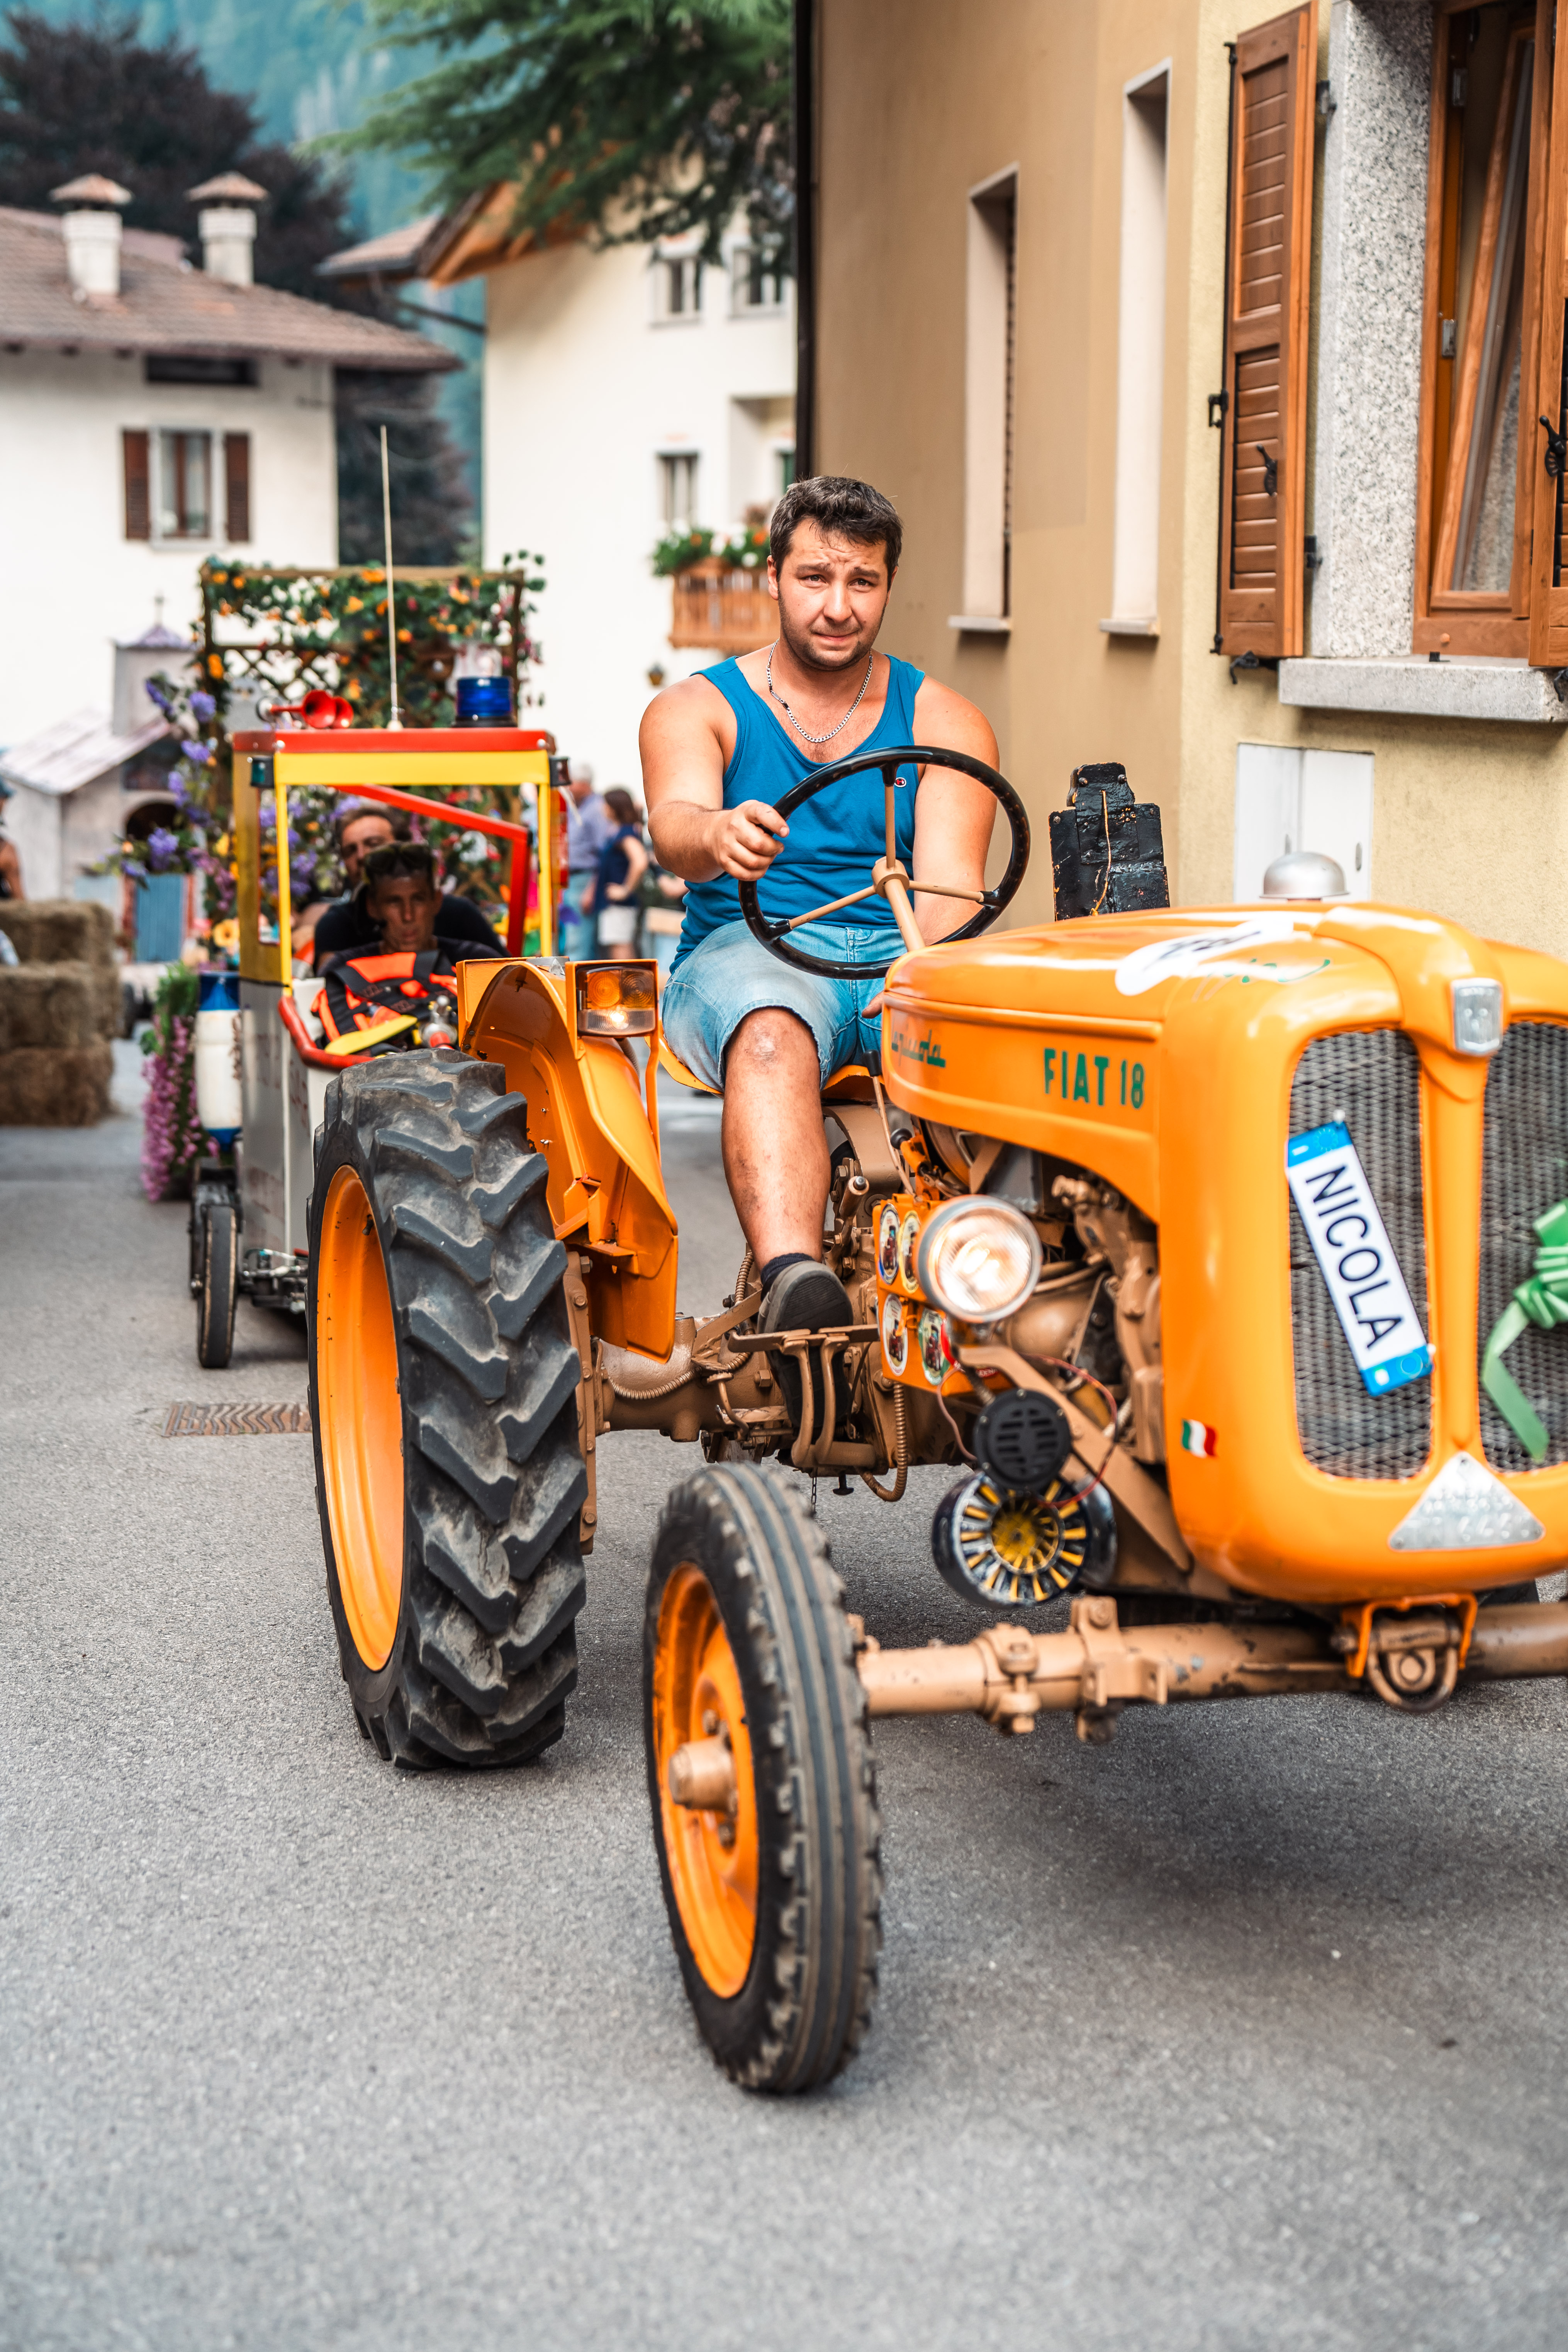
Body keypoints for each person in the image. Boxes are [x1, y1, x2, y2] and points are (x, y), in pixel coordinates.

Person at [640, 472, 997, 1360]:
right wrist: (717, 833)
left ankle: (991, 1270)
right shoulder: (697, 709)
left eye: (861, 581)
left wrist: (916, 980)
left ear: (888, 584)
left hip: (896, 954)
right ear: (773, 577)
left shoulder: (947, 720)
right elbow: (675, 829)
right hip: (746, 952)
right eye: (814, 578)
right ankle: (794, 1282)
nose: (838, 607)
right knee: (771, 1028)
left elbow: (948, 894)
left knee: (1000, 1028)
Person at [310, 801, 501, 962]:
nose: (362, 856)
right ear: (373, 908)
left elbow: (508, 980)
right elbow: (328, 985)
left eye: (374, 844)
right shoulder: (336, 925)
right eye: (350, 851)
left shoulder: (460, 915)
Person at [562, 759, 614, 958]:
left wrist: (592, 890)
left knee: (578, 941)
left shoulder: (596, 809)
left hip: (585, 880)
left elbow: (604, 853)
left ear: (585, 784)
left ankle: (575, 977)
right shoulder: (578, 807)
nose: (568, 787)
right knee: (573, 937)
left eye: (572, 783)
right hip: (573, 880)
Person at [592, 788, 650, 958]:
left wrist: (625, 890)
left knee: (621, 950)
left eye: (605, 805)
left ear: (614, 807)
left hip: (619, 905)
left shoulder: (626, 833)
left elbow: (640, 861)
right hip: (615, 905)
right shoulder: (619, 831)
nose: (602, 808)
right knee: (618, 948)